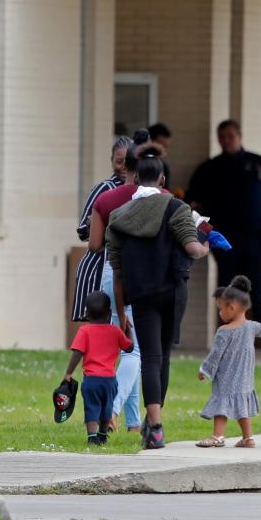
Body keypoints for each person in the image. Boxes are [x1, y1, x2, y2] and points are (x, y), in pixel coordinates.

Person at [106, 144, 210, 449]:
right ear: (162, 180)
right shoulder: (176, 208)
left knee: (148, 357)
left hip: (140, 293)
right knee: (163, 356)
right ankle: (154, 424)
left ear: (136, 178)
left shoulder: (118, 215)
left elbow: (117, 268)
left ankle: (155, 425)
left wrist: (122, 310)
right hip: (173, 290)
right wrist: (206, 247)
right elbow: (192, 248)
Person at [90, 136, 158, 434]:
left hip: (110, 271)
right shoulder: (158, 196)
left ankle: (132, 423)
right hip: (142, 276)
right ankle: (112, 409)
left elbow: (93, 245)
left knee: (122, 344)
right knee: (135, 351)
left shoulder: (106, 199)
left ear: (125, 166)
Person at [186, 119, 261, 321]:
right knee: (229, 291)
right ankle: (230, 334)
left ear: (239, 136)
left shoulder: (258, 163)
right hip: (225, 240)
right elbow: (192, 204)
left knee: (259, 289)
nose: (226, 140)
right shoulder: (209, 168)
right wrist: (206, 233)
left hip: (257, 238)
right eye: (222, 137)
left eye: (230, 136)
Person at [196, 276, 261, 449]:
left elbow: (215, 356)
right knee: (242, 407)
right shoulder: (252, 326)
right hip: (245, 378)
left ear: (231, 307)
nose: (219, 313)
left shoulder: (224, 332)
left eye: (221, 309)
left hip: (226, 377)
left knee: (221, 405)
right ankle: (248, 438)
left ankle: (218, 436)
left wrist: (204, 370)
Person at [71, 135, 133, 321]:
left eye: (127, 161)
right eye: (118, 161)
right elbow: (83, 230)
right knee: (98, 329)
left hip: (127, 268)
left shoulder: (143, 191)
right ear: (112, 161)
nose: (122, 166)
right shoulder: (104, 189)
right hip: (99, 268)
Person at [64, 291, 134, 445]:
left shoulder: (84, 331)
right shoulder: (115, 331)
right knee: (106, 408)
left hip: (91, 381)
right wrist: (128, 329)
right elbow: (130, 348)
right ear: (109, 313)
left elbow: (77, 352)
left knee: (92, 407)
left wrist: (69, 372)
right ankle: (103, 434)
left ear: (87, 314)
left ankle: (91, 437)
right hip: (109, 381)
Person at [148, 123, 173, 190]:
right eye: (162, 146)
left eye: (165, 147)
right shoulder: (140, 164)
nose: (163, 150)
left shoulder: (163, 166)